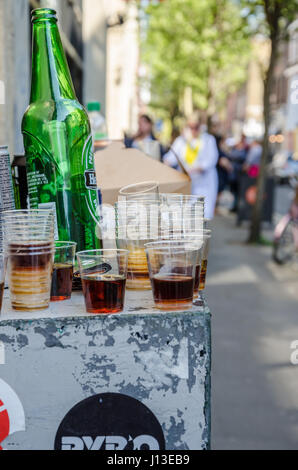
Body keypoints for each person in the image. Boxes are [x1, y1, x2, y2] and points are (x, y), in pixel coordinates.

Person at [163, 119, 219, 219]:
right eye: (191, 127)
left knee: (201, 215)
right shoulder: (181, 141)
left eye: (196, 127)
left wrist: (192, 170)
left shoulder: (208, 140)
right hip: (186, 183)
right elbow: (170, 158)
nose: (194, 131)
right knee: (184, 215)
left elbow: (210, 160)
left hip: (204, 184)